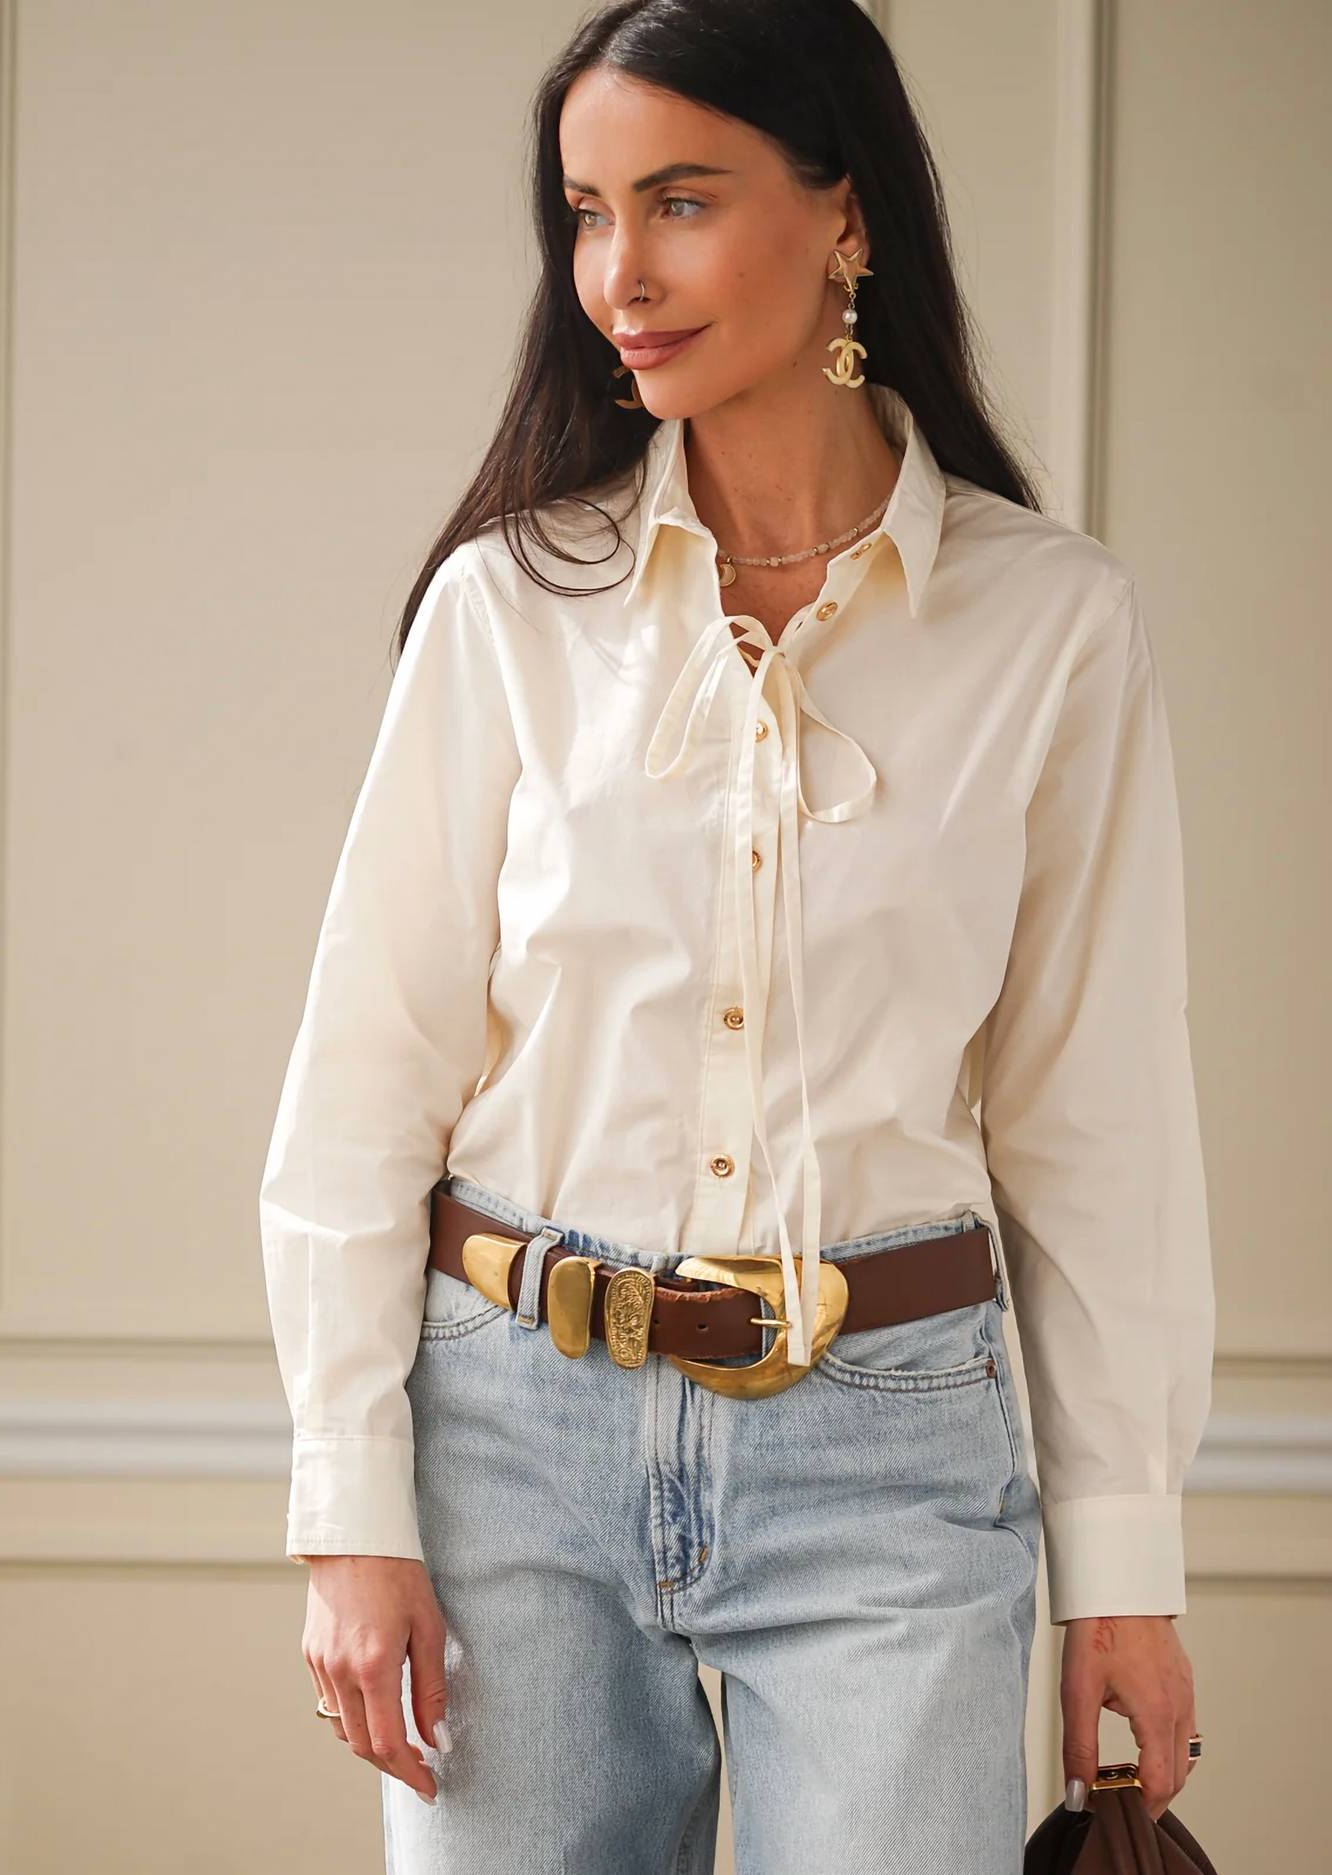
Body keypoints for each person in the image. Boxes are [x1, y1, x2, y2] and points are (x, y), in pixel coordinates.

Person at [258, 3, 1212, 1869]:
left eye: (680, 202)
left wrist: (1127, 1565)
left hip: (890, 1454)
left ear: (844, 213)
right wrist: (349, 1510)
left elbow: (1093, 1121)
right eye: (587, 213)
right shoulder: (510, 608)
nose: (619, 273)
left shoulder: (1052, 625)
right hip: (509, 1441)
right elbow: (367, 1073)